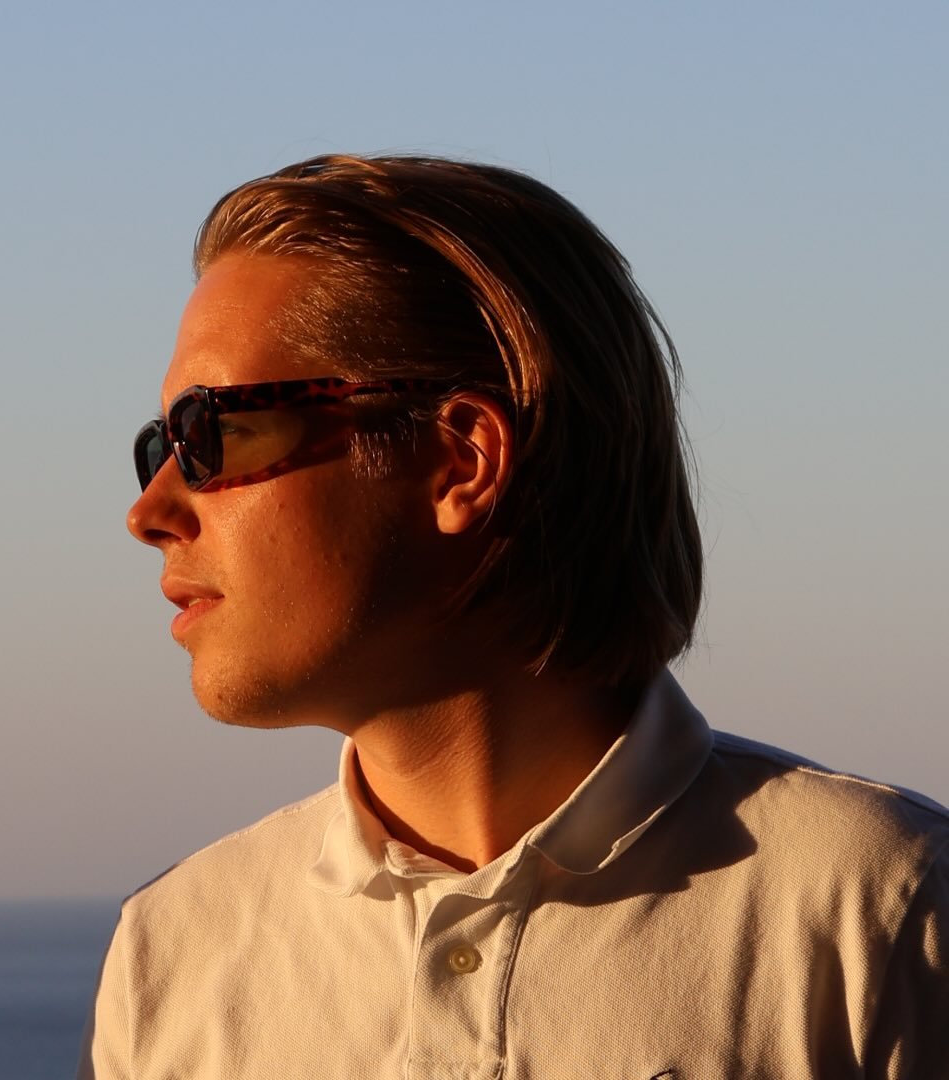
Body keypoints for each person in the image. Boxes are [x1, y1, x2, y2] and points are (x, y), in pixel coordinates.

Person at [78, 155, 948, 1079]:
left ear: (461, 459)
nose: (150, 510)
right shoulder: (171, 958)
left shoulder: (877, 912)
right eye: (160, 446)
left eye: (214, 434)